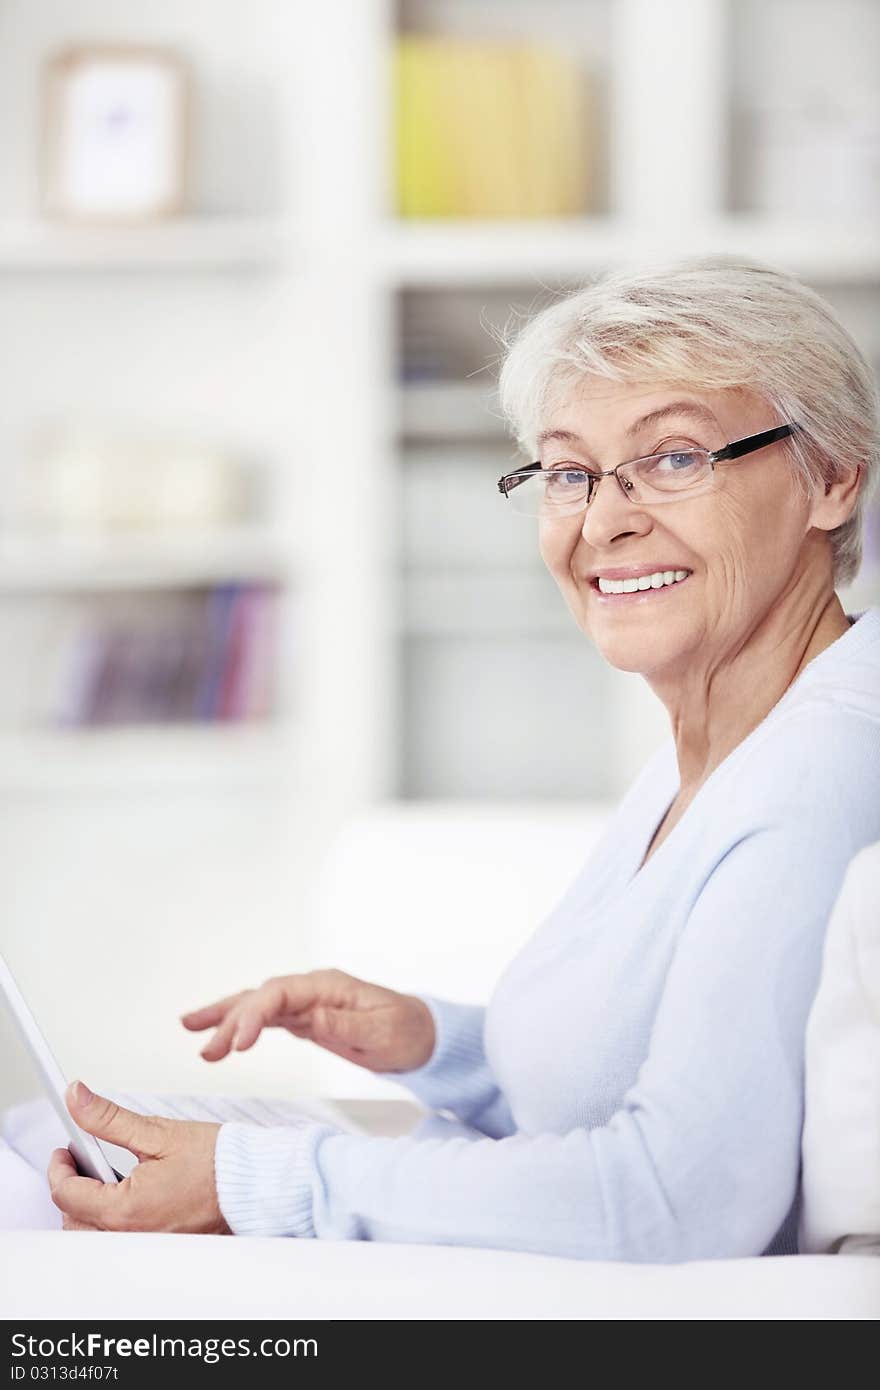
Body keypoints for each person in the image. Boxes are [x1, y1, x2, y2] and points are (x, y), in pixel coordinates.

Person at [20, 256, 880, 1259]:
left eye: (676, 457)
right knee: (45, 1147)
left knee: (44, 1192)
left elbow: (678, 1194)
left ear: (830, 476)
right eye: (568, 472)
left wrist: (259, 1179)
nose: (605, 519)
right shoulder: (731, 734)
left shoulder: (822, 766)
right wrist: (437, 1044)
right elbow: (654, 1072)